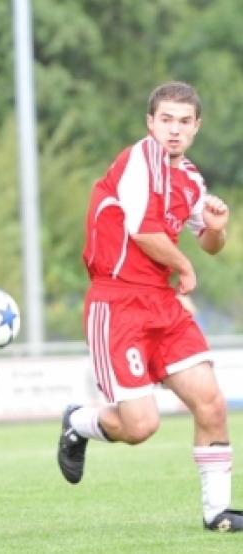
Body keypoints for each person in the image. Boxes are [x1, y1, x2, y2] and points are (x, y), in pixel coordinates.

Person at [57, 81, 241, 532]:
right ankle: (78, 422)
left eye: (183, 122)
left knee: (212, 403)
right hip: (117, 301)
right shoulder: (139, 159)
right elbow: (142, 230)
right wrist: (185, 267)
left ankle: (217, 511)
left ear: (196, 127)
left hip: (161, 303)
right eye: (165, 120)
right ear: (150, 122)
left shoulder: (190, 178)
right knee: (140, 427)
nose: (173, 130)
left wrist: (217, 228)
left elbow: (210, 243)